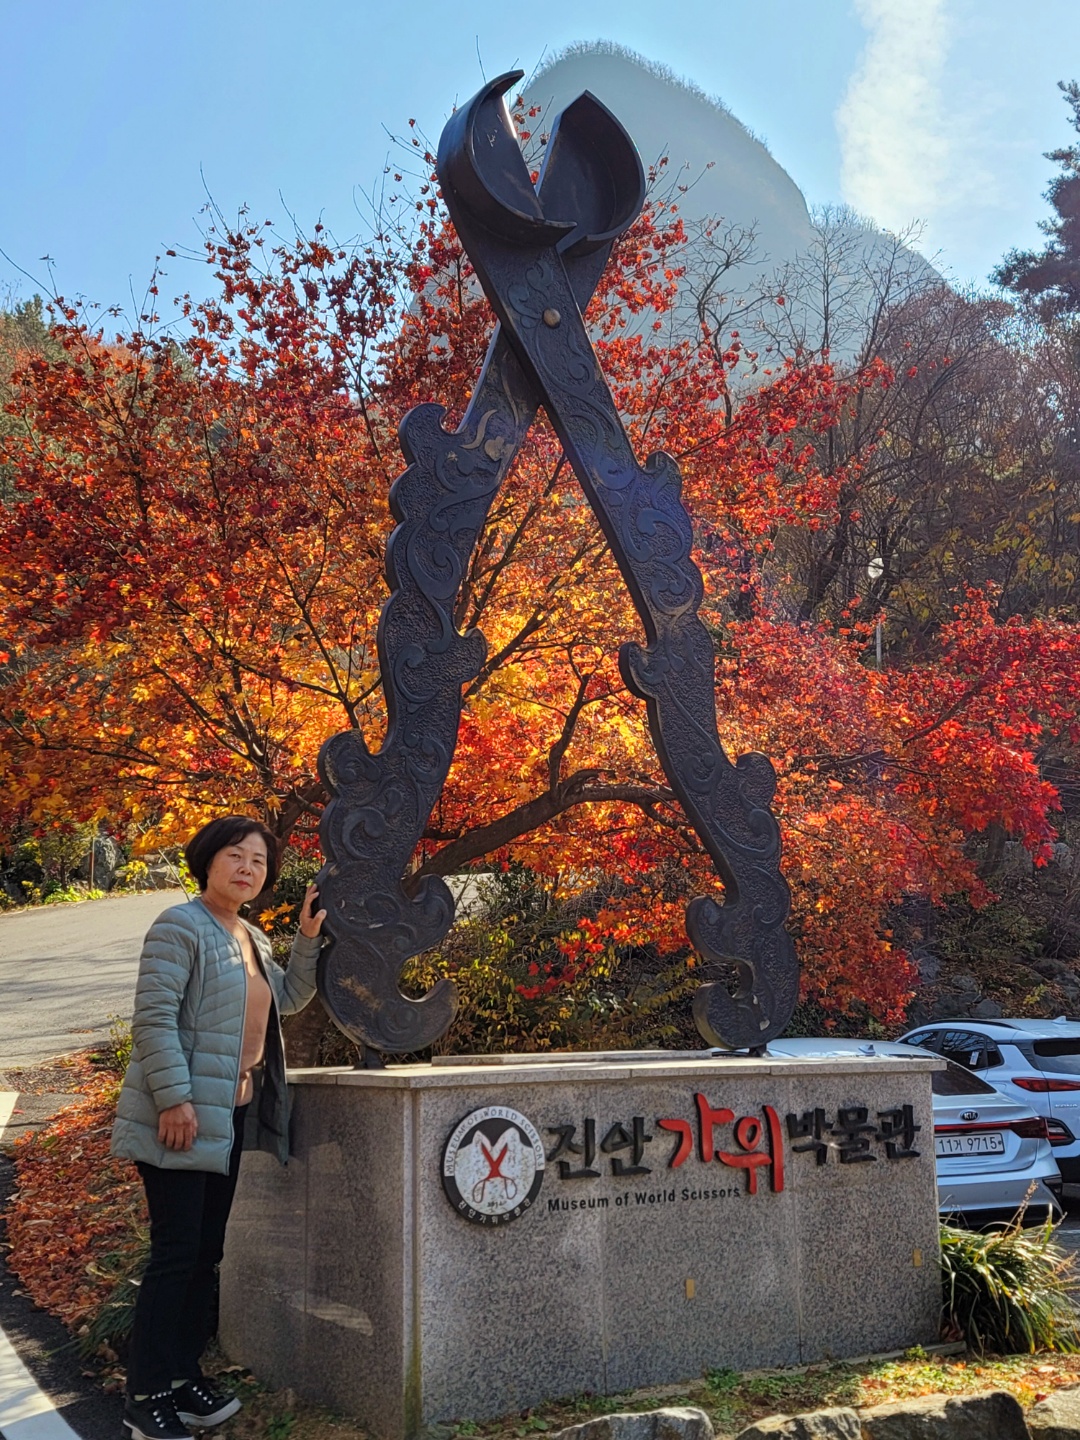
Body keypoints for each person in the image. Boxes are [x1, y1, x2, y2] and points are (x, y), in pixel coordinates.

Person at [110, 815, 325, 1440]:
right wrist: (174, 1100)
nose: (247, 868)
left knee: (206, 1255)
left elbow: (287, 1000)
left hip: (228, 1117)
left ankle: (181, 1378)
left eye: (258, 861)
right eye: (236, 855)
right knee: (176, 1255)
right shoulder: (180, 926)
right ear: (208, 861)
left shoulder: (250, 937)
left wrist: (307, 938)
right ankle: (145, 1395)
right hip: (180, 1116)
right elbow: (153, 1019)